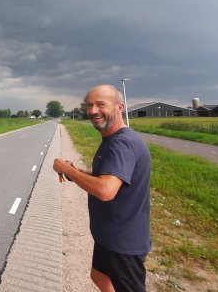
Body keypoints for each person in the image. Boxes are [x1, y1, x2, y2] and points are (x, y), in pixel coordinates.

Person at [53, 84, 151, 292]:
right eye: (89, 105)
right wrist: (77, 173)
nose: (93, 111)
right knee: (99, 276)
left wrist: (67, 171)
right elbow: (108, 178)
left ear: (119, 107)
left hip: (123, 241)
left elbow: (105, 190)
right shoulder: (112, 139)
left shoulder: (121, 144)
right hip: (110, 235)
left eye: (101, 104)